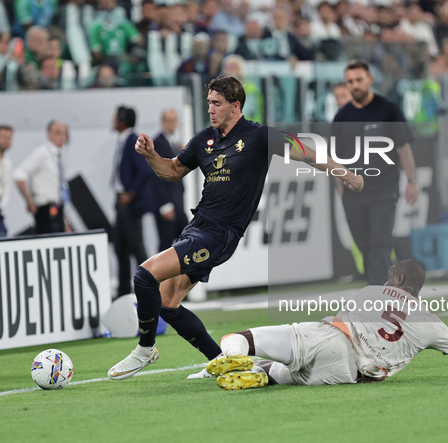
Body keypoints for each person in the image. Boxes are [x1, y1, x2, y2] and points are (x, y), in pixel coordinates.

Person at [107, 75, 364, 380]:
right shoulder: (204, 139)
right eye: (209, 104)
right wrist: (151, 155)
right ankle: (220, 360)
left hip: (219, 235)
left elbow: (305, 151)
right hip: (197, 227)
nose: (211, 110)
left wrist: (346, 173)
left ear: (235, 105)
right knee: (166, 302)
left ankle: (145, 348)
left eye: (216, 104)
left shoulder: (258, 137)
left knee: (144, 275)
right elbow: (173, 170)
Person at [205, 259, 448, 390]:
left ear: (396, 278)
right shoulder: (433, 324)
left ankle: (229, 356)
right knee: (288, 375)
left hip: (332, 337)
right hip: (349, 374)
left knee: (239, 336)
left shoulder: (372, 291)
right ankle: (262, 374)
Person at [333, 59, 419, 286]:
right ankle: (390, 285)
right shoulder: (341, 117)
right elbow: (336, 161)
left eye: (359, 79)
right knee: (364, 245)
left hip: (384, 188)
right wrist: (340, 189)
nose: (355, 85)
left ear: (369, 80)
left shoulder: (388, 109)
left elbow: (403, 148)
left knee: (379, 241)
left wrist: (411, 180)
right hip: (353, 192)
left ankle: (379, 297)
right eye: (350, 81)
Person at [111, 105, 154, 297]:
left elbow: (145, 170)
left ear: (121, 121)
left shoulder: (131, 141)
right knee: (121, 249)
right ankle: (123, 293)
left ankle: (150, 287)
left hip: (129, 204)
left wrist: (131, 193)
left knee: (137, 247)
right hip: (121, 202)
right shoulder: (124, 140)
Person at [13, 120, 70, 234]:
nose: (61, 137)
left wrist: (65, 221)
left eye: (64, 133)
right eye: (57, 132)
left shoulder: (57, 156)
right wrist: (29, 201)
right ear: (48, 134)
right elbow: (19, 174)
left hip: (57, 208)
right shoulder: (42, 152)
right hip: (45, 209)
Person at [152, 108, 188, 252]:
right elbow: (155, 176)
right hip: (167, 204)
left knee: (185, 240)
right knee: (165, 245)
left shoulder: (174, 143)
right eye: (169, 120)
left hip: (178, 202)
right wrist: (164, 205)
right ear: (163, 122)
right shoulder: (158, 143)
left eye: (174, 120)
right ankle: (159, 274)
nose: (172, 124)